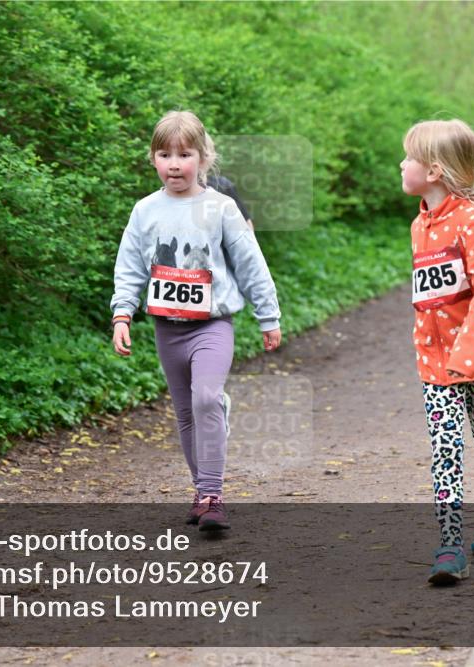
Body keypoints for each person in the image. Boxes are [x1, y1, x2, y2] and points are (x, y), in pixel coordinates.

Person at [110, 110, 282, 531]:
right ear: (153, 159)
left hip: (212, 326)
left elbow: (250, 264)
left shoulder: (221, 208)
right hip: (167, 328)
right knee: (186, 413)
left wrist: (268, 315)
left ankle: (213, 494)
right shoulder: (145, 210)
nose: (174, 163)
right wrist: (122, 313)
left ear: (203, 159)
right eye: (165, 154)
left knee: (206, 398)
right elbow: (130, 265)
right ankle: (201, 491)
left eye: (184, 154)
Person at [399, 119, 474, 585]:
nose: (401, 164)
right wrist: (429, 347)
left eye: (408, 157)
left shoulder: (472, 221)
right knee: (445, 448)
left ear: (433, 170)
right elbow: (428, 296)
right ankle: (450, 543)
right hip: (435, 364)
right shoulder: (418, 225)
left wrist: (467, 351)